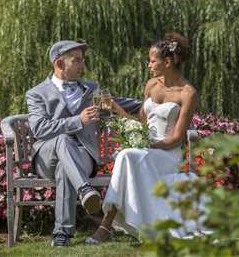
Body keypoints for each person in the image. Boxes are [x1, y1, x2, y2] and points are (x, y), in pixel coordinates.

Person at [85, 32, 201, 244]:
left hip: (167, 154)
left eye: (152, 60)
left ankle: (105, 226)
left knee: (127, 155)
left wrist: (149, 144)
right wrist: (114, 106)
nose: (148, 65)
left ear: (167, 62)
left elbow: (177, 139)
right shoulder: (151, 85)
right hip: (145, 150)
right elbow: (141, 125)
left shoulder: (188, 93)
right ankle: (107, 226)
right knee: (127, 155)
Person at [26, 40, 102, 247]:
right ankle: (85, 190)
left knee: (65, 167)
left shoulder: (92, 89)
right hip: (46, 157)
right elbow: (40, 128)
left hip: (82, 156)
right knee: (62, 140)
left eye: (82, 60)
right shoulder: (36, 93)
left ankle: (62, 234)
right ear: (59, 63)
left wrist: (158, 101)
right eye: (76, 60)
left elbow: (118, 103)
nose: (81, 65)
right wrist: (78, 121)